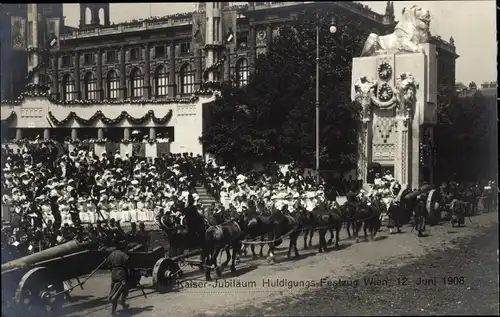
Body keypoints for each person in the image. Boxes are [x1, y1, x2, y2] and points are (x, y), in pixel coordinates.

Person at [107, 240, 130, 316]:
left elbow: (109, 265)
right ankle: (114, 310)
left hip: (113, 274)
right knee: (120, 290)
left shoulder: (111, 254)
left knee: (113, 289)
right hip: (121, 274)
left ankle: (119, 305)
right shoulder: (123, 254)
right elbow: (127, 264)